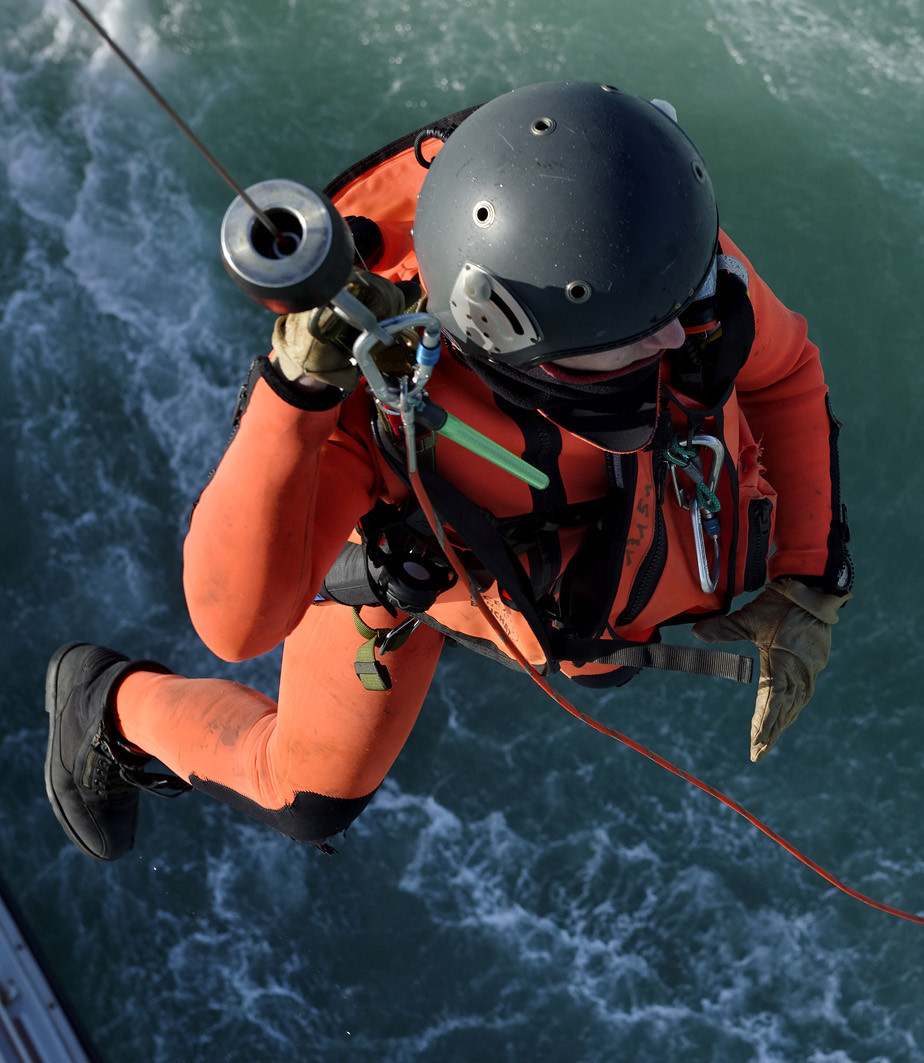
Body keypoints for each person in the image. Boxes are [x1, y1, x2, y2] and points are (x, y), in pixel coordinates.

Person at [43, 81, 853, 861]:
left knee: (598, 656)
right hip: (420, 569)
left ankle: (583, 623)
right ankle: (106, 705)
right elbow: (235, 624)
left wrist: (807, 581)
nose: (679, 341)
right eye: (642, 336)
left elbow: (784, 373)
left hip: (582, 551)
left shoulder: (652, 261)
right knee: (308, 800)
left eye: (678, 306)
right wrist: (293, 399)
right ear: (510, 332)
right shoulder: (381, 404)